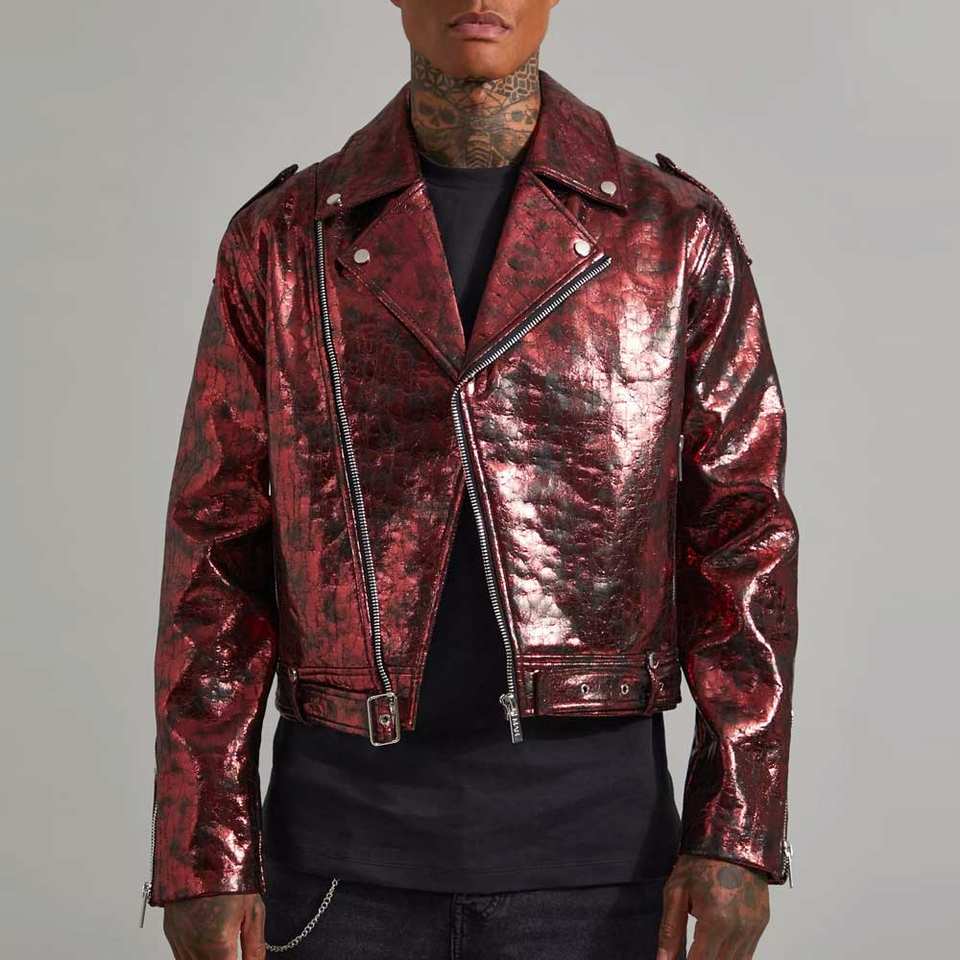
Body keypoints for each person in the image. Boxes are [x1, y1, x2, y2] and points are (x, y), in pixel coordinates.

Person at [144, 3, 799, 959]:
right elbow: (215, 552)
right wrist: (204, 850)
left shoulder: (671, 234)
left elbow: (743, 539)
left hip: (600, 870)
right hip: (335, 868)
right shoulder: (284, 241)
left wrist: (738, 828)